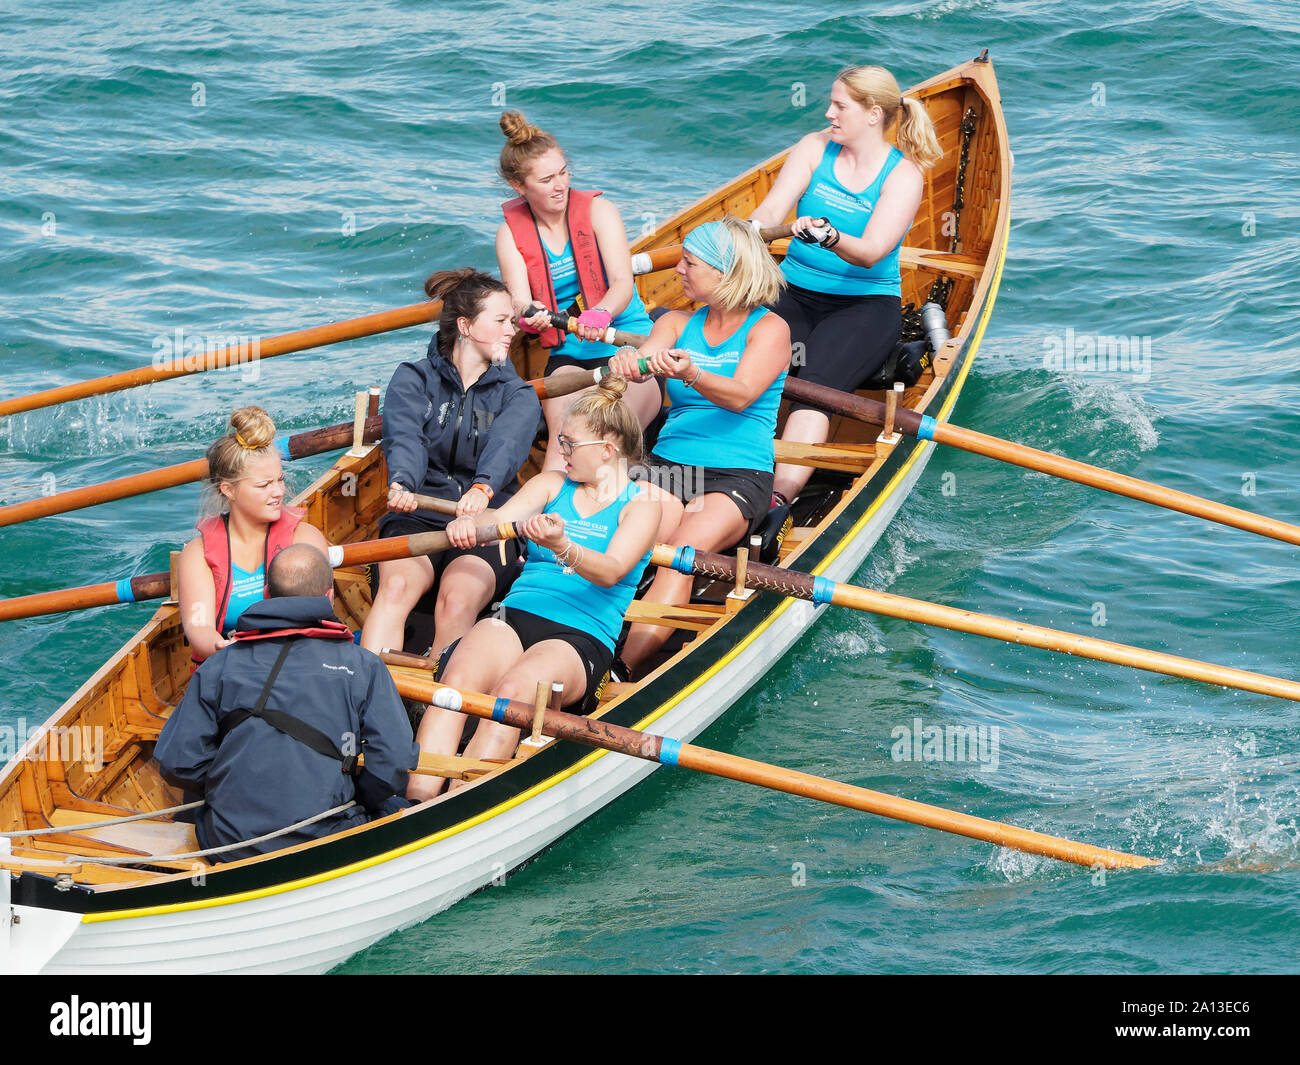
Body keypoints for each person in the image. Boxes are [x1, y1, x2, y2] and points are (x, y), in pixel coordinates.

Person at [406, 377, 661, 801]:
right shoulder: (550, 485)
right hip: (517, 613)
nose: (559, 450)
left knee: (512, 696)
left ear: (607, 450)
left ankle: (462, 807)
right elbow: (497, 524)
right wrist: (471, 525)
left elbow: (612, 570)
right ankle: (414, 801)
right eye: (559, 440)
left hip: (581, 634)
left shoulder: (642, 503)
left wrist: (563, 545)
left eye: (569, 443)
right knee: (455, 683)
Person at [748, 64, 941, 507]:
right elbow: (771, 208)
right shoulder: (814, 147)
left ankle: (778, 502)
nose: (828, 113)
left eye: (839, 106)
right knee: (751, 368)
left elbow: (872, 250)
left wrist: (830, 236)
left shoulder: (903, 175)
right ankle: (731, 468)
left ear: (873, 114)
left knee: (816, 387)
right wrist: (747, 231)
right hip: (792, 292)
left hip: (864, 306)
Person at [156, 544, 419, 863]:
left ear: (265, 593)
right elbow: (392, 761)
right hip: (326, 838)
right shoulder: (362, 665)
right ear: (329, 598)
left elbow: (176, 761)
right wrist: (359, 797)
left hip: (228, 843)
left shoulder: (219, 665)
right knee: (399, 808)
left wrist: (233, 784)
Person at [608, 216, 790, 673]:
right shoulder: (673, 322)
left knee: (678, 558)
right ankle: (581, 641)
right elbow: (644, 363)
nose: (679, 270)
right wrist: (629, 363)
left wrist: (692, 374)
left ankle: (618, 671)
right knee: (616, 541)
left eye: (689, 263)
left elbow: (742, 393)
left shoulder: (770, 329)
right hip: (669, 467)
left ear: (724, 272)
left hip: (737, 474)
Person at [359, 268, 543, 661]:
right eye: (501, 321)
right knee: (395, 589)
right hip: (421, 512)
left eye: (512, 321)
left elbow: (506, 445)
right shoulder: (413, 378)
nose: (512, 330)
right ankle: (363, 691)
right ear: (465, 325)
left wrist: (482, 488)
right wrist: (403, 484)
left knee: (456, 601)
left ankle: (435, 706)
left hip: (484, 522)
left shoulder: (519, 395)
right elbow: (405, 436)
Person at [493, 109, 661, 471]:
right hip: (569, 355)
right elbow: (520, 301)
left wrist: (600, 313)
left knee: (610, 441)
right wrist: (529, 318)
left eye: (563, 173)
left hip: (627, 341)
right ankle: (546, 522)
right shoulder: (509, 235)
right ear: (519, 187)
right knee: (563, 447)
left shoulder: (600, 211)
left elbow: (621, 283)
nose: (560, 186)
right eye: (546, 180)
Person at [178, 406, 331, 662]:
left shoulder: (304, 540)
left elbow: (319, 617)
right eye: (264, 485)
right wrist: (223, 648)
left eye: (280, 480)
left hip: (298, 660)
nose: (278, 492)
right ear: (229, 490)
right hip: (231, 663)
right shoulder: (197, 555)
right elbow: (199, 628)